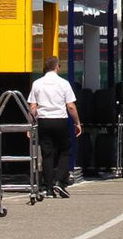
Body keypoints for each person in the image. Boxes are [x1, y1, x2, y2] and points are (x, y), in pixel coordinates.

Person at [28, 56, 83, 197]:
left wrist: (31, 125)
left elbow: (33, 107)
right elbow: (70, 106)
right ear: (57, 66)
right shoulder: (63, 83)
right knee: (65, 150)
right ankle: (59, 180)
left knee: (47, 154)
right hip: (60, 120)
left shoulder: (37, 83)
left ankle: (49, 187)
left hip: (44, 120)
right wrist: (77, 123)